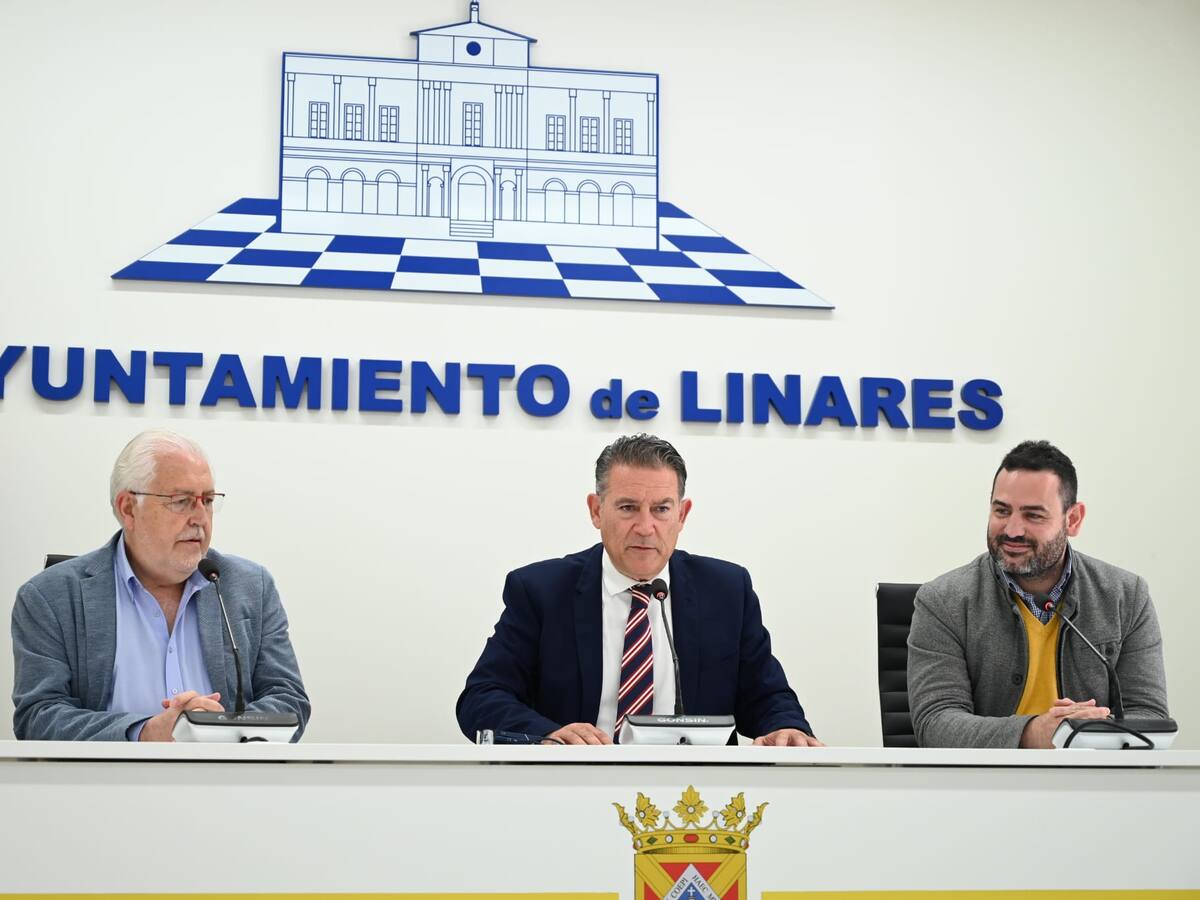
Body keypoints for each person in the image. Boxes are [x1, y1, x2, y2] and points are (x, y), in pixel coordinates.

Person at [456, 434, 819, 746]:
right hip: (571, 786)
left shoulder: (726, 591)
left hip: (694, 799)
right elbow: (482, 698)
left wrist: (785, 727)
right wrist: (550, 735)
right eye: (628, 508)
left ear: (682, 514)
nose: (645, 527)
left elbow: (766, 695)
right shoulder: (541, 591)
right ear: (596, 511)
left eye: (661, 509)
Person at [11, 429, 310, 742]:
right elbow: (39, 716)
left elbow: (289, 700)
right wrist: (145, 732)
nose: (200, 518)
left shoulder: (250, 587)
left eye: (207, 501)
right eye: (181, 501)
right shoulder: (50, 597)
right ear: (128, 508)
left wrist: (216, 729)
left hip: (228, 785)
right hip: (103, 785)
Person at [907, 440, 1169, 748]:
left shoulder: (1126, 597)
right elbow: (936, 724)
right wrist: (1037, 733)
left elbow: (1149, 716)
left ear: (1073, 519)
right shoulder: (942, 601)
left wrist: (1082, 735)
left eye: (1033, 515)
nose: (1013, 529)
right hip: (982, 787)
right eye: (1001, 511)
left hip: (1093, 788)